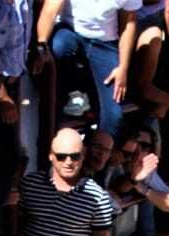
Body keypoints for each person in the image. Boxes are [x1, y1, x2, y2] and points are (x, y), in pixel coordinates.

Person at [35, 0, 142, 138]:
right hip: (70, 32)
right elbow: (50, 8)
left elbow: (129, 21)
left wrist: (123, 67)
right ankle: (74, 93)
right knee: (58, 47)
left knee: (113, 115)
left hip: (105, 43)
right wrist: (41, 46)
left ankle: (99, 154)